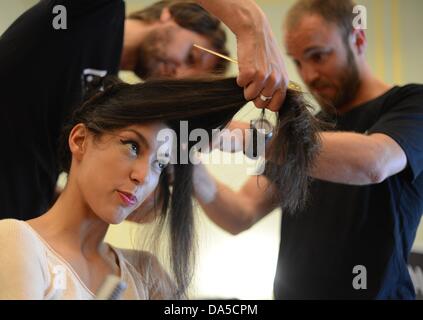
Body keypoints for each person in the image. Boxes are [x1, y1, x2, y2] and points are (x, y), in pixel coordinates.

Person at [0, 76, 315, 299]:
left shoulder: (145, 273)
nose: (143, 177)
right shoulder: (16, 240)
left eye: (160, 163)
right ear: (80, 140)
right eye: (133, 147)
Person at [194, 0, 423, 299]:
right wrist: (189, 169)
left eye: (318, 55)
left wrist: (243, 136)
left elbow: (374, 162)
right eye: (298, 61)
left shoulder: (410, 104)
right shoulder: (307, 130)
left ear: (358, 39)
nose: (308, 74)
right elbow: (241, 213)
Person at [0, 0, 288, 221]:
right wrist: (251, 24)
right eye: (191, 55)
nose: (179, 72)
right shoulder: (92, 14)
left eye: (188, 77)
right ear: (171, 13)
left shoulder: (104, 99)